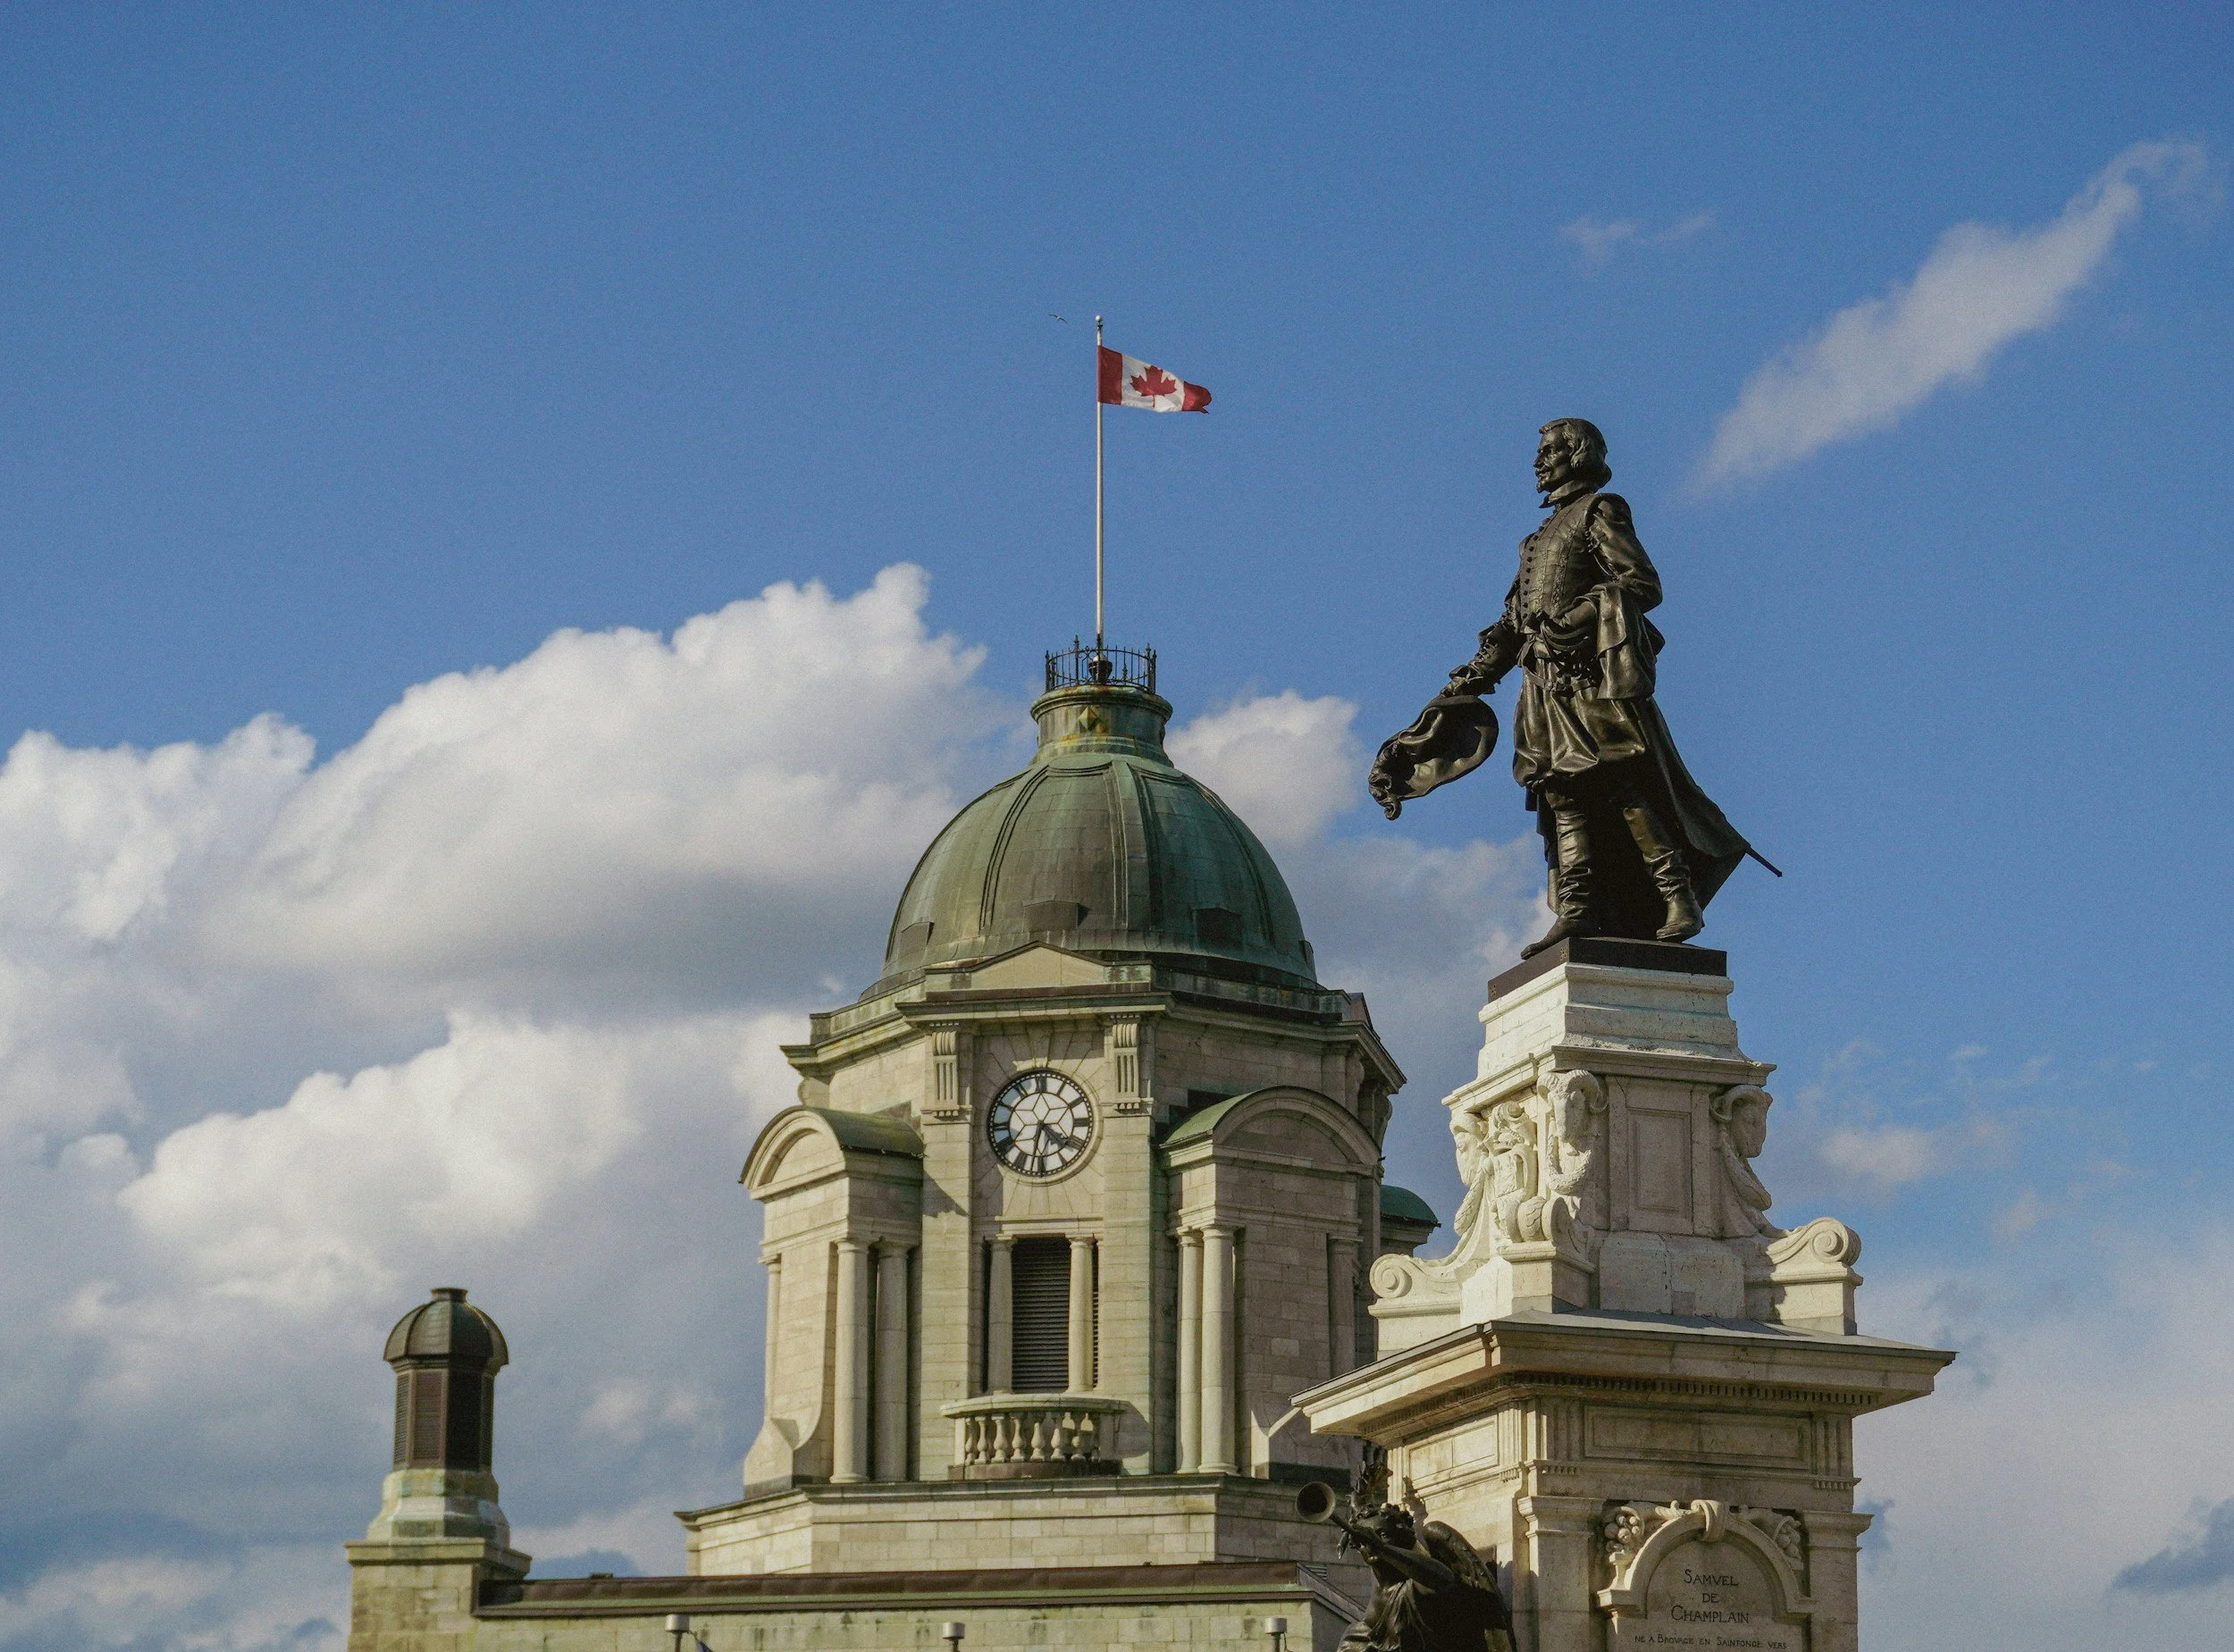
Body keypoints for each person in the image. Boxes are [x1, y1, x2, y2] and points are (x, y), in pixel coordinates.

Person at [1371, 418, 1759, 957]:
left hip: (1589, 681)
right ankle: (1579, 909)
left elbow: (1641, 583)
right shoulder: (1534, 541)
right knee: (1561, 793)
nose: (1539, 462)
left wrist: (1578, 616)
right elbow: (1513, 625)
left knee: (1622, 783)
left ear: (1578, 456)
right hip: (1542, 688)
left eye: (1550, 451)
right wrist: (1467, 680)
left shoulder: (1600, 510)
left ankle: (1678, 897)